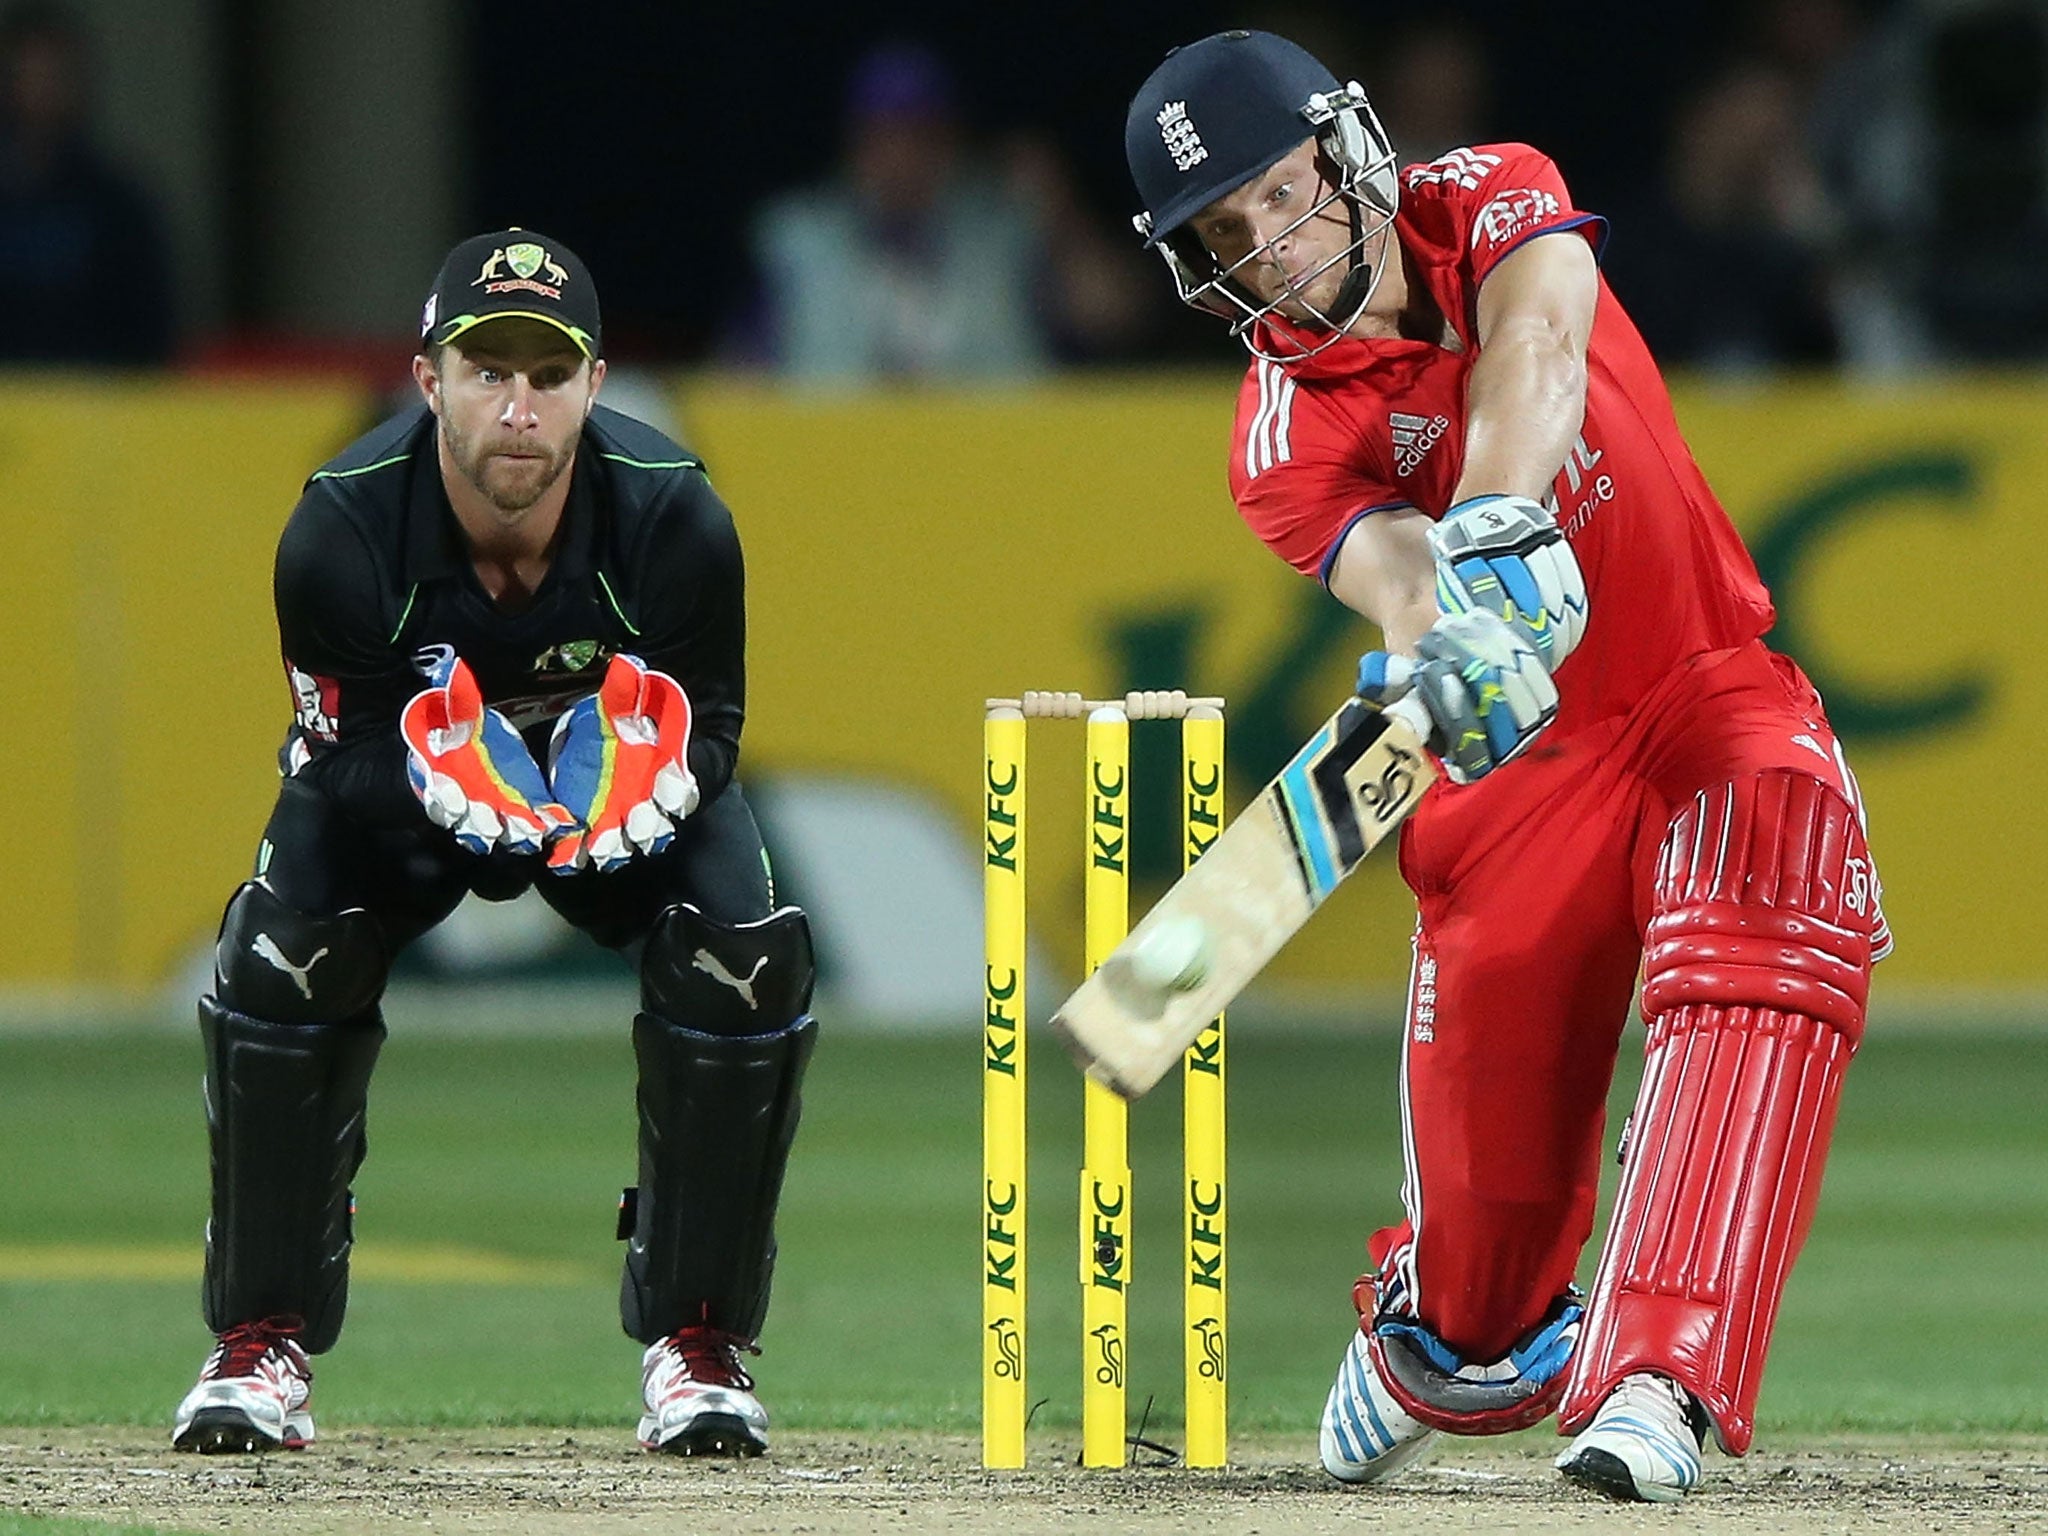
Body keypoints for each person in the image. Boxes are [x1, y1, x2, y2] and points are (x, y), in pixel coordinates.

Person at [1124, 31, 1889, 1503]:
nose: (1262, 256)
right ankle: (1439, 1325)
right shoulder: (1281, 432)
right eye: (1220, 239)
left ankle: (1661, 1372)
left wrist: (1493, 522)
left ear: (1346, 154)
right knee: (1479, 1321)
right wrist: (1442, 618)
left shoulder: (1485, 193)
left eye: (1273, 199)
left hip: (1693, 689)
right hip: (1509, 779)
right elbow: (1396, 576)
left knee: (1777, 868)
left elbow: (1538, 343)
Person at [171, 228, 818, 1460]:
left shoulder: (676, 515)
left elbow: (714, 733)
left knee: (742, 953)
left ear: (593, 383)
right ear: (428, 380)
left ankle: (698, 1346)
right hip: (407, 804)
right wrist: (448, 778)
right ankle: (261, 1340)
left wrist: (638, 791)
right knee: (279, 953)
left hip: (605, 808)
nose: (517, 409)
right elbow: (338, 750)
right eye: (486, 372)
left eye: (549, 374)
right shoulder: (340, 530)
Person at [0, 0, 174, 364]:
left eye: (53, 77)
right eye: (30, 76)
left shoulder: (120, 206)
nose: (41, 93)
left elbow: (151, 335)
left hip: (96, 411)